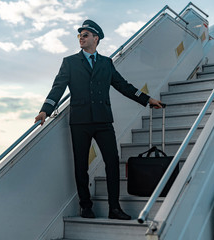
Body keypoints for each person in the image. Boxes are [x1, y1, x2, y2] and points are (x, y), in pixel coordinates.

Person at [35, 19, 162, 220]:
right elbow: (57, 87)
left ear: (96, 39)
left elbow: (124, 85)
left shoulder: (106, 63)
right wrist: (45, 110)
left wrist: (147, 99)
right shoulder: (70, 62)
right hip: (80, 122)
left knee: (112, 162)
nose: (81, 38)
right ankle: (86, 207)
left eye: (85, 35)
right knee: (80, 166)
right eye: (80, 35)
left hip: (103, 121)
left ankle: (114, 208)